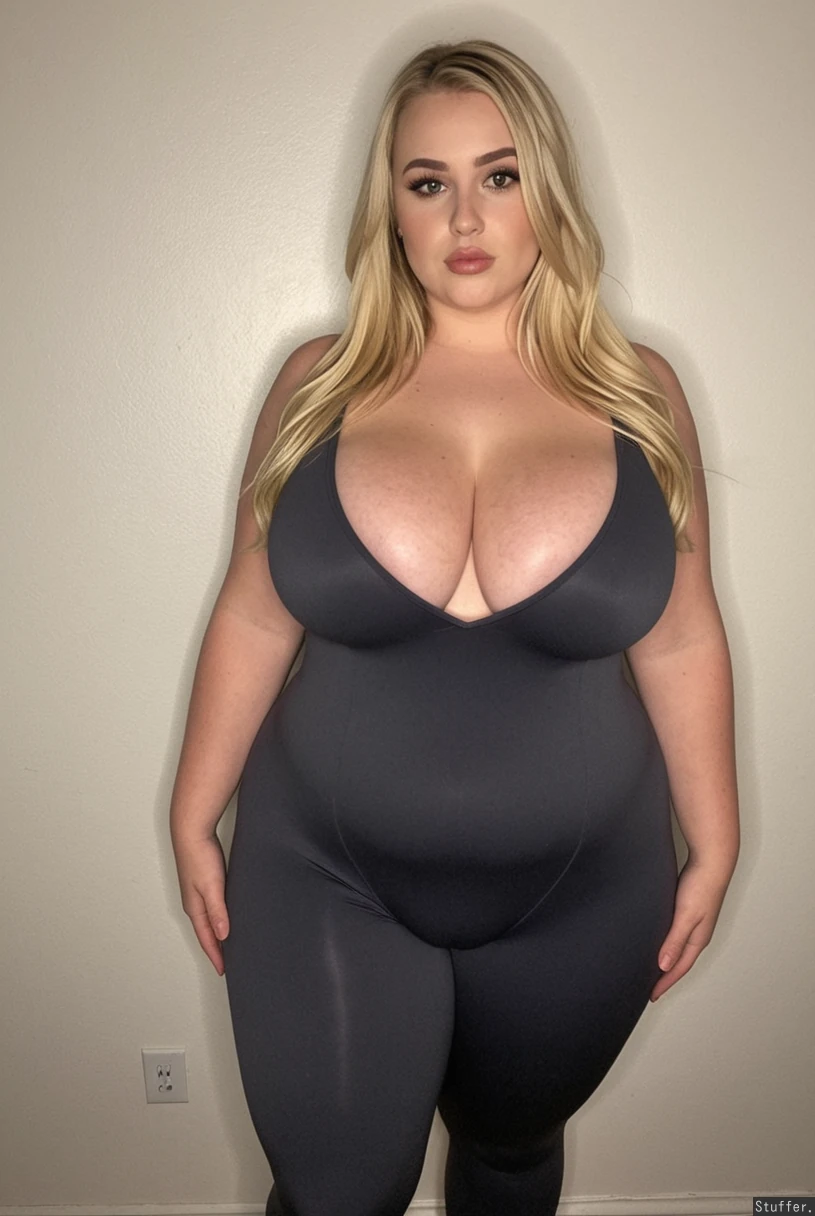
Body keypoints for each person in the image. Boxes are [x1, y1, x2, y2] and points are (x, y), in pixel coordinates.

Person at [169, 37, 740, 1216]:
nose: (464, 217)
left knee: (510, 1154)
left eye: (501, 174)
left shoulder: (641, 395)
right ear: (390, 206)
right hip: (323, 874)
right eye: (427, 182)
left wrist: (716, 836)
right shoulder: (316, 385)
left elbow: (681, 635)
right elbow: (252, 611)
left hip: (583, 893)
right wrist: (191, 807)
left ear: (549, 194)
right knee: (333, 1194)